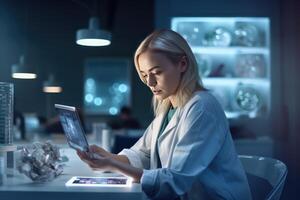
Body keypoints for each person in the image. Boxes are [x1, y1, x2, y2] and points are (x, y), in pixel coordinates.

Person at [77, 29, 252, 200]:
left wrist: (113, 165)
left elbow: (175, 180)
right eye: (145, 75)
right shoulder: (168, 106)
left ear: (183, 64)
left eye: (157, 72)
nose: (150, 83)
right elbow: (142, 155)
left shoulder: (203, 107)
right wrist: (109, 158)